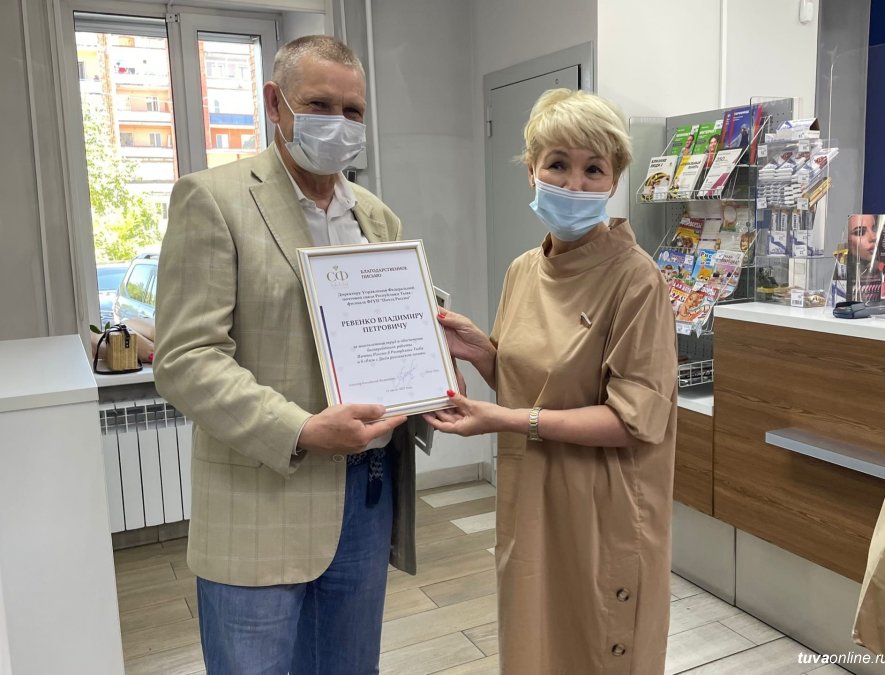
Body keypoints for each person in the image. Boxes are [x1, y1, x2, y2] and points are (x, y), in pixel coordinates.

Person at [153, 35, 414, 675]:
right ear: (275, 103)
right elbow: (187, 358)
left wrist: (428, 360)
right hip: (261, 497)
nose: (339, 123)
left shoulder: (377, 219)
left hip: (365, 494)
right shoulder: (212, 199)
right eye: (319, 104)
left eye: (353, 111)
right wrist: (300, 429)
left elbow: (388, 336)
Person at [425, 89, 677, 673]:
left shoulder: (636, 280)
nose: (574, 183)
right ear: (531, 171)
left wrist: (504, 420)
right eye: (558, 164)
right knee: (534, 645)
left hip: (603, 507)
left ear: (614, 181)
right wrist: (484, 354)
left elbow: (632, 421)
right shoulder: (523, 270)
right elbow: (532, 387)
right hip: (531, 497)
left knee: (596, 648)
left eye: (594, 169)